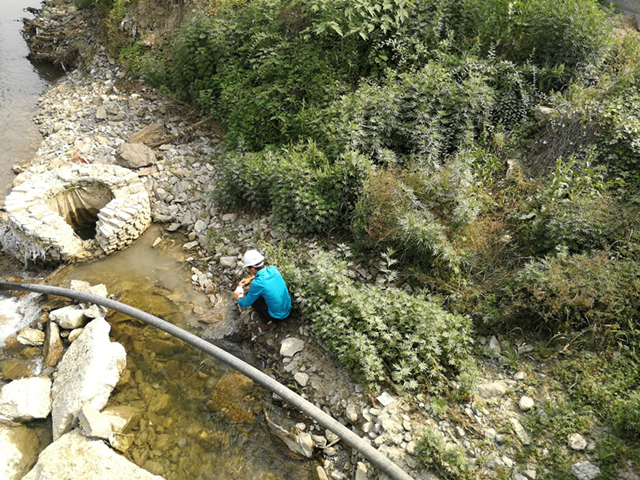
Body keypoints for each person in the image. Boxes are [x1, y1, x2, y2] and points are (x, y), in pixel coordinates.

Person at [233, 249, 291, 330]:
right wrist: (250, 279)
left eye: (248, 268)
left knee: (254, 300)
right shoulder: (273, 269)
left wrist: (237, 298)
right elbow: (263, 272)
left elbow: (245, 304)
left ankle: (269, 322)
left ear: (252, 269)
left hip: (278, 316)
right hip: (287, 307)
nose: (248, 270)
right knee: (263, 293)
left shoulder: (257, 284)